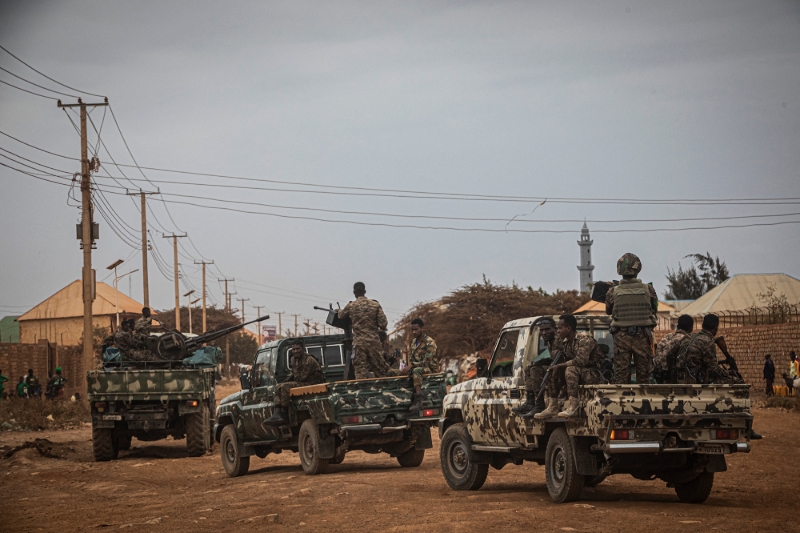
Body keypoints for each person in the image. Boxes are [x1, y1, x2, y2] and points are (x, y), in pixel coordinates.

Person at [536, 314, 604, 419]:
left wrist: (560, 365)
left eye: (560, 328)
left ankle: (573, 406)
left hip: (595, 373)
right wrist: (556, 367)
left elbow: (580, 361)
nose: (557, 331)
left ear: (568, 328)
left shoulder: (584, 339)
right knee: (552, 370)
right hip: (581, 373)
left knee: (569, 369)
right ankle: (553, 406)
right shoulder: (566, 343)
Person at [605, 253, 658, 384]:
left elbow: (608, 311)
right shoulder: (648, 289)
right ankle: (644, 402)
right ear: (638, 269)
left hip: (621, 336)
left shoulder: (612, 291)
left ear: (619, 271)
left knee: (621, 377)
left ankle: (623, 403)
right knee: (644, 376)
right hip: (642, 336)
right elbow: (654, 309)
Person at [264, 339, 325, 425]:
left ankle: (284, 415)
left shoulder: (309, 360)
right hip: (304, 383)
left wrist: (293, 366)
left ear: (302, 349)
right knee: (278, 386)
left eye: (298, 349)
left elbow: (301, 378)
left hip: (312, 384)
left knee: (285, 387)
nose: (295, 351)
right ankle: (277, 412)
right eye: (293, 349)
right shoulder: (297, 360)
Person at [337, 282, 390, 379]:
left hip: (359, 344)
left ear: (354, 292)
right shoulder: (375, 305)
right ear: (365, 291)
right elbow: (383, 325)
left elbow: (341, 316)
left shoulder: (351, 306)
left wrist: (338, 310)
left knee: (360, 372)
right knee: (380, 371)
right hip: (374, 343)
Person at [513, 317, 560, 418]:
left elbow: (561, 359)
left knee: (535, 370)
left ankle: (539, 404)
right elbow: (553, 358)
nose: (544, 333)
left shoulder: (558, 340)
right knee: (529, 368)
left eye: (547, 329)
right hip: (558, 366)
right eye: (542, 330)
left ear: (555, 329)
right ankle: (530, 402)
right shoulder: (550, 341)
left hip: (564, 368)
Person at [399, 319, 438, 412]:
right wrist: (407, 368)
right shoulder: (413, 342)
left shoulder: (430, 342)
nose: (414, 332)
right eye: (412, 330)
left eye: (416, 329)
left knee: (416, 371)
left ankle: (418, 400)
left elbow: (427, 362)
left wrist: (411, 366)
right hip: (416, 367)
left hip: (430, 368)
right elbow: (412, 359)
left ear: (422, 328)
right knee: (395, 372)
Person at [653, 315, 694, 383]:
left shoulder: (667, 336)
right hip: (672, 378)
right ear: (691, 328)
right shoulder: (686, 339)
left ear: (677, 326)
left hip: (658, 375)